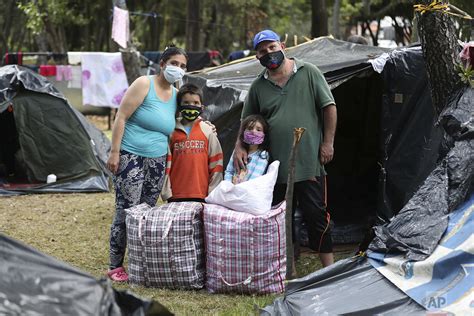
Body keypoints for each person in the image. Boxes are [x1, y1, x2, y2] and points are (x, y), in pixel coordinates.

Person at [234, 29, 337, 267]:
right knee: (279, 218)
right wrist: (240, 145)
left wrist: (328, 142)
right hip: (274, 166)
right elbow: (246, 121)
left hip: (310, 162)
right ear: (256, 57)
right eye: (262, 51)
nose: (268, 53)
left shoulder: (308, 72)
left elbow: (329, 107)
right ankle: (283, 268)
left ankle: (328, 269)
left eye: (271, 47)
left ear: (282, 46)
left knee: (317, 216)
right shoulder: (258, 86)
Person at [105, 46, 188, 282]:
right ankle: (115, 266)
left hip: (158, 159)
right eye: (174, 63)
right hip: (131, 155)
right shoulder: (144, 84)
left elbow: (187, 117)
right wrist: (114, 152)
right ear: (162, 64)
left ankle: (140, 262)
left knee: (146, 213)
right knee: (127, 211)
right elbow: (121, 116)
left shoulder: (176, 94)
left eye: (182, 66)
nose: (178, 69)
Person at [161, 83, 224, 202]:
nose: (191, 106)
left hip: (202, 194)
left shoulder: (208, 131)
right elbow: (165, 164)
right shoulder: (171, 131)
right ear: (179, 106)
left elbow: (216, 164)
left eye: (195, 103)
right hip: (175, 195)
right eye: (186, 103)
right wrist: (166, 192)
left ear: (202, 107)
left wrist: (213, 192)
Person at [224, 114, 270, 184]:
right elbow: (229, 171)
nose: (253, 132)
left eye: (258, 130)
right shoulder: (237, 152)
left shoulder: (263, 155)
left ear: (264, 134)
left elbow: (255, 178)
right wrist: (228, 185)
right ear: (243, 132)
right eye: (250, 128)